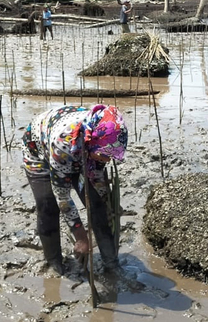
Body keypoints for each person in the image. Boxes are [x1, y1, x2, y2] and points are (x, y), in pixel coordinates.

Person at [22, 105, 128, 275]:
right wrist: (80, 236)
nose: (108, 160)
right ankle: (53, 260)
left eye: (112, 155)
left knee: (98, 204)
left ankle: (111, 262)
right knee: (47, 205)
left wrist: (107, 203)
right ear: (92, 143)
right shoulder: (62, 145)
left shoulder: (101, 140)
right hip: (39, 151)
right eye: (105, 155)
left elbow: (98, 177)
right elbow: (62, 196)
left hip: (83, 150)